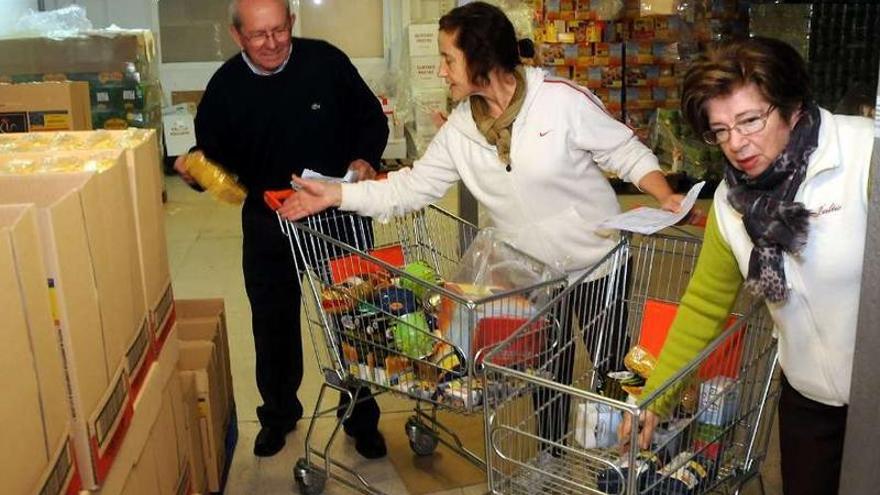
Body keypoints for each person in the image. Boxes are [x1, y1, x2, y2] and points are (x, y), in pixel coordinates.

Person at [277, 1, 683, 453]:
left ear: (481, 58)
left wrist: (663, 194)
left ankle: (621, 461)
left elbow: (623, 151)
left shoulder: (559, 101)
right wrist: (337, 195)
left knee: (611, 368)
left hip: (596, 263)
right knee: (545, 369)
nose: (442, 70)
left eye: (449, 58)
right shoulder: (460, 129)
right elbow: (412, 188)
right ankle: (551, 457)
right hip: (529, 274)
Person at [619, 37, 874, 495]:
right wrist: (655, 396)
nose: (736, 144)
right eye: (719, 130)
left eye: (750, 120)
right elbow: (702, 305)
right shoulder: (730, 203)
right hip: (808, 397)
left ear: (792, 106)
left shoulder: (862, 156)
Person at [174, 0, 389, 459]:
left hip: (338, 213)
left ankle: (361, 416)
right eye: (258, 35)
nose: (271, 43)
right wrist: (196, 169)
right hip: (269, 222)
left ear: (291, 23)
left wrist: (364, 158)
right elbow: (213, 158)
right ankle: (279, 413)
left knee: (356, 319)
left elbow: (370, 118)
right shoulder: (226, 87)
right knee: (272, 324)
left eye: (279, 30)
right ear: (237, 36)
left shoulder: (326, 62)